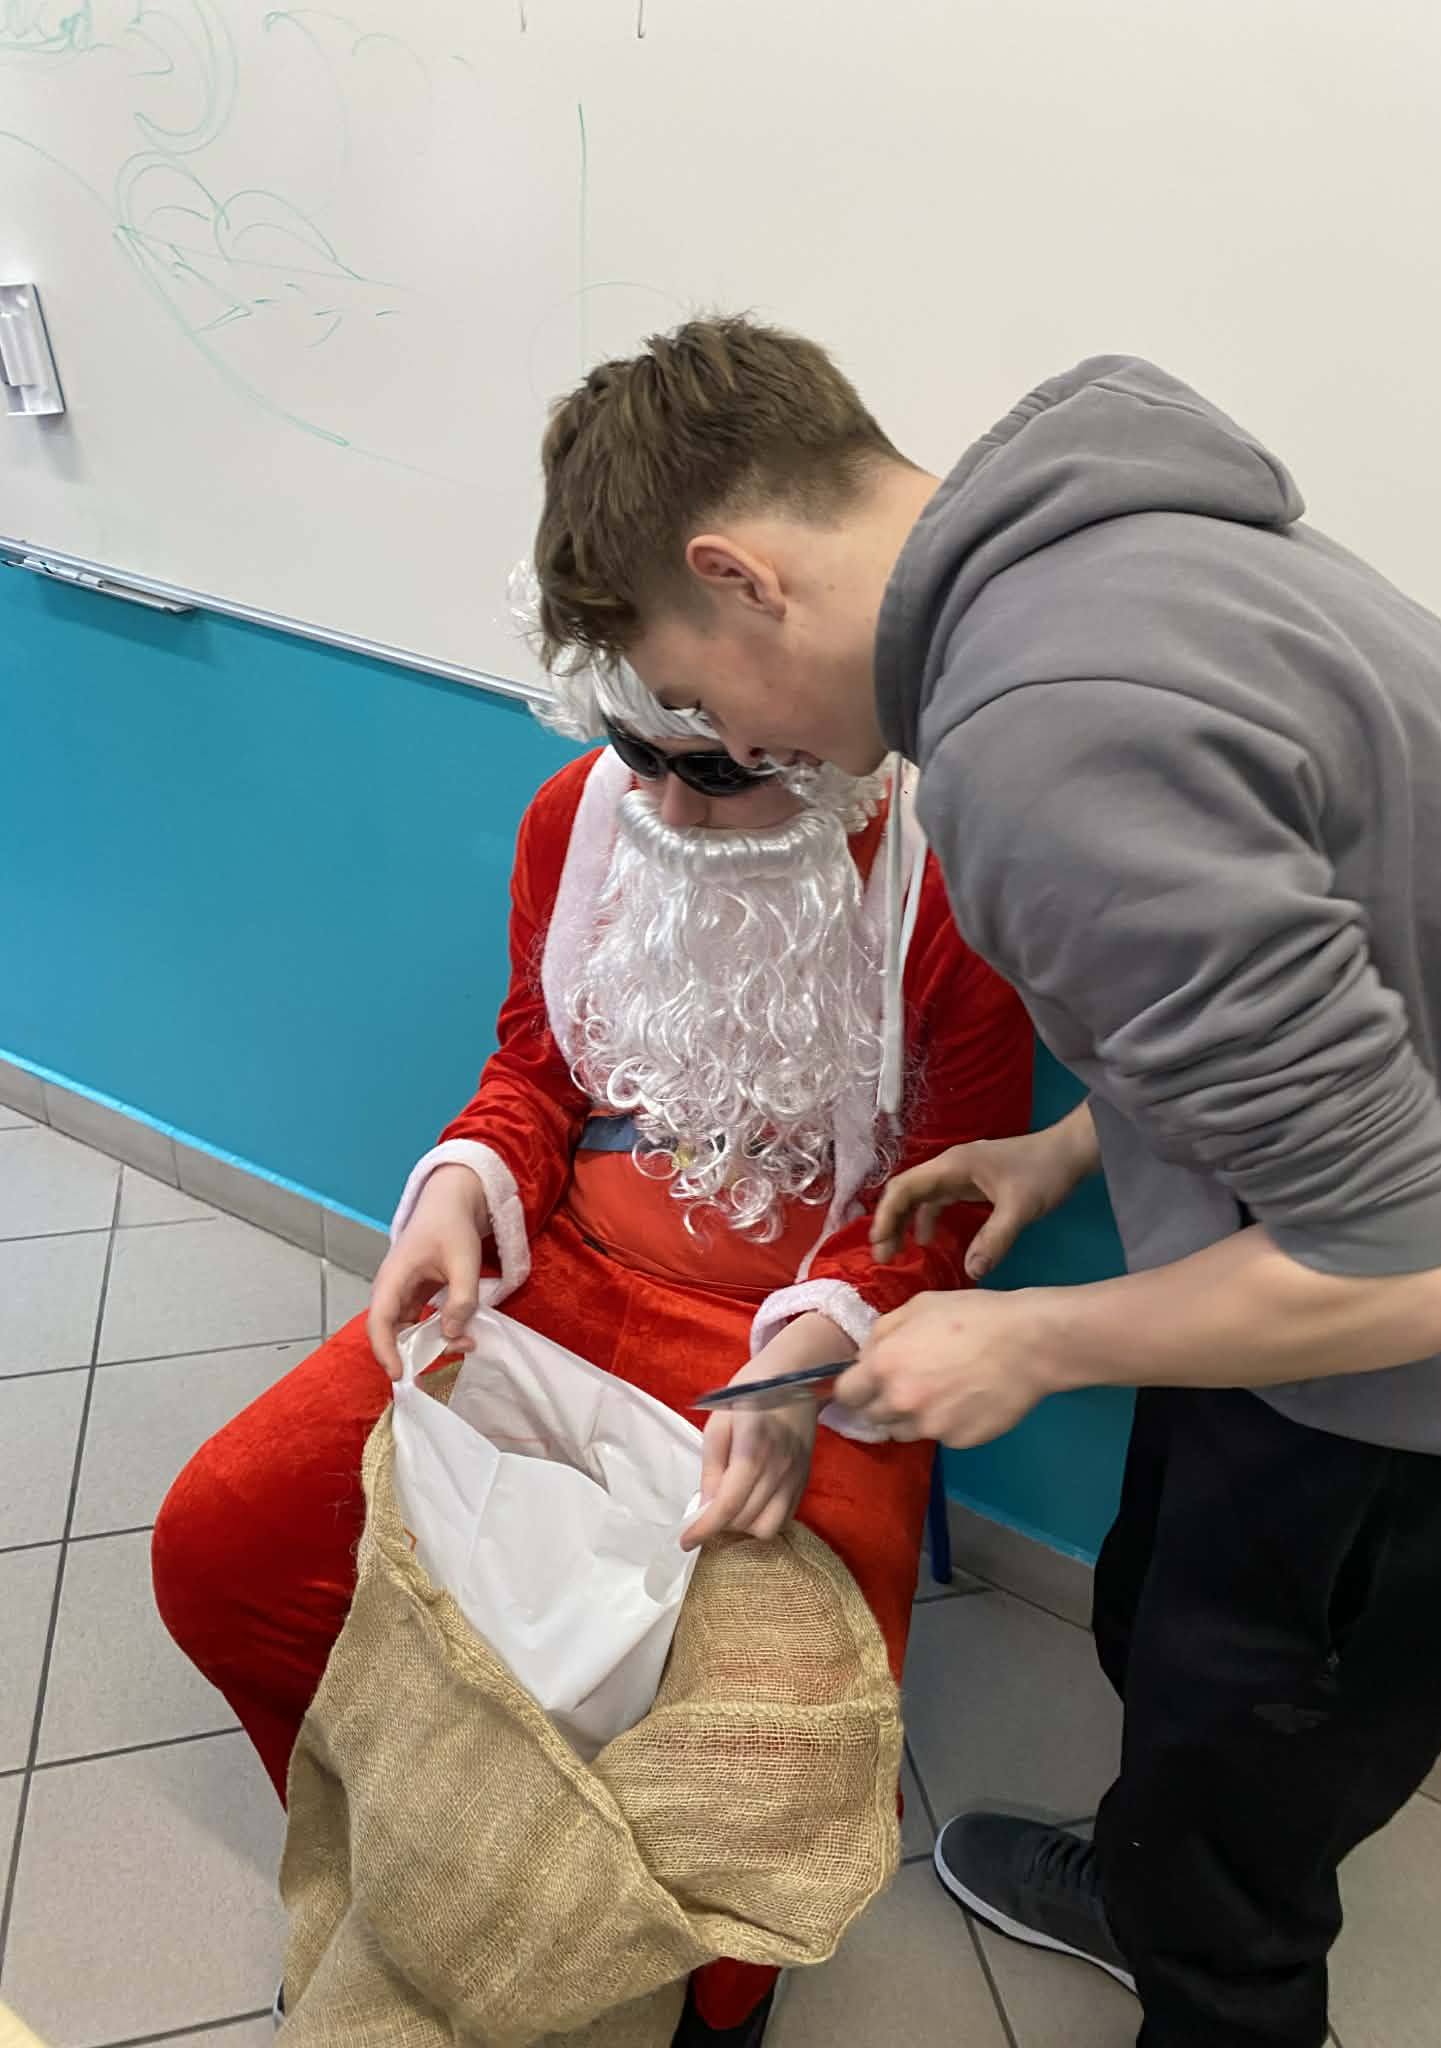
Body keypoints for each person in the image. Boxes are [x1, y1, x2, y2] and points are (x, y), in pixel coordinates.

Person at [531, 318, 1441, 2048]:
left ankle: (1198, 1937)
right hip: (1318, 1282)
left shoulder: (1038, 739)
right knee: (1163, 1635)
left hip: (1434, 1381)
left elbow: (1420, 1272)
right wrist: (1075, 1143)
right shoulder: (1111, 546)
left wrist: (1033, 1341)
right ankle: (1150, 1871)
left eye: (699, 697)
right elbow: (1329, 977)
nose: (733, 744)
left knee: (1243, 1832)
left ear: (739, 577)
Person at [151, 652, 1037, 2047]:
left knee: (775, 1745)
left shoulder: (952, 886)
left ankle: (711, 1999)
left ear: (827, 736)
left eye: (719, 771)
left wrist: (806, 1357)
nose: (667, 812)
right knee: (230, 1543)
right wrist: (460, 1189)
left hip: (802, 1330)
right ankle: (408, 1852)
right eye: (636, 752)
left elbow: (952, 1192)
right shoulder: (577, 818)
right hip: (556, 1269)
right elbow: (534, 1070)